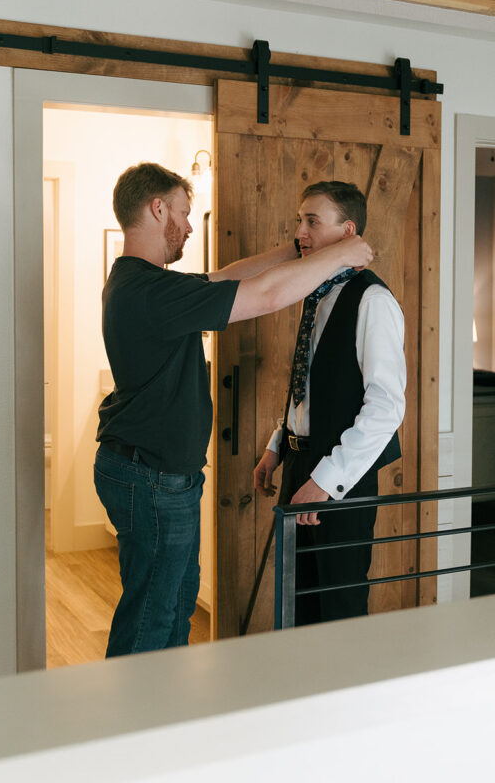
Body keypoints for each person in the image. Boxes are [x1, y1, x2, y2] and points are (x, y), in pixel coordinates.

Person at [94, 162, 373, 657]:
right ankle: (131, 725)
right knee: (151, 620)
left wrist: (296, 250)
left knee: (170, 609)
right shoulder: (151, 291)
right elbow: (263, 294)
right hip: (152, 477)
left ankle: (163, 720)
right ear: (157, 209)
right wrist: (342, 254)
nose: (185, 224)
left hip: (157, 474)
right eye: (182, 212)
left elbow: (225, 277)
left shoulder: (144, 282)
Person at [254, 181, 406, 625]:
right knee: (296, 605)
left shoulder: (373, 301)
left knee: (338, 611)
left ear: (348, 232)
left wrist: (325, 482)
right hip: (299, 467)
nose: (299, 232)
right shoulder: (316, 295)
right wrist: (276, 445)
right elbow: (311, 384)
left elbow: (385, 408)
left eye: (311, 221)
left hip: (342, 478)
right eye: (299, 221)